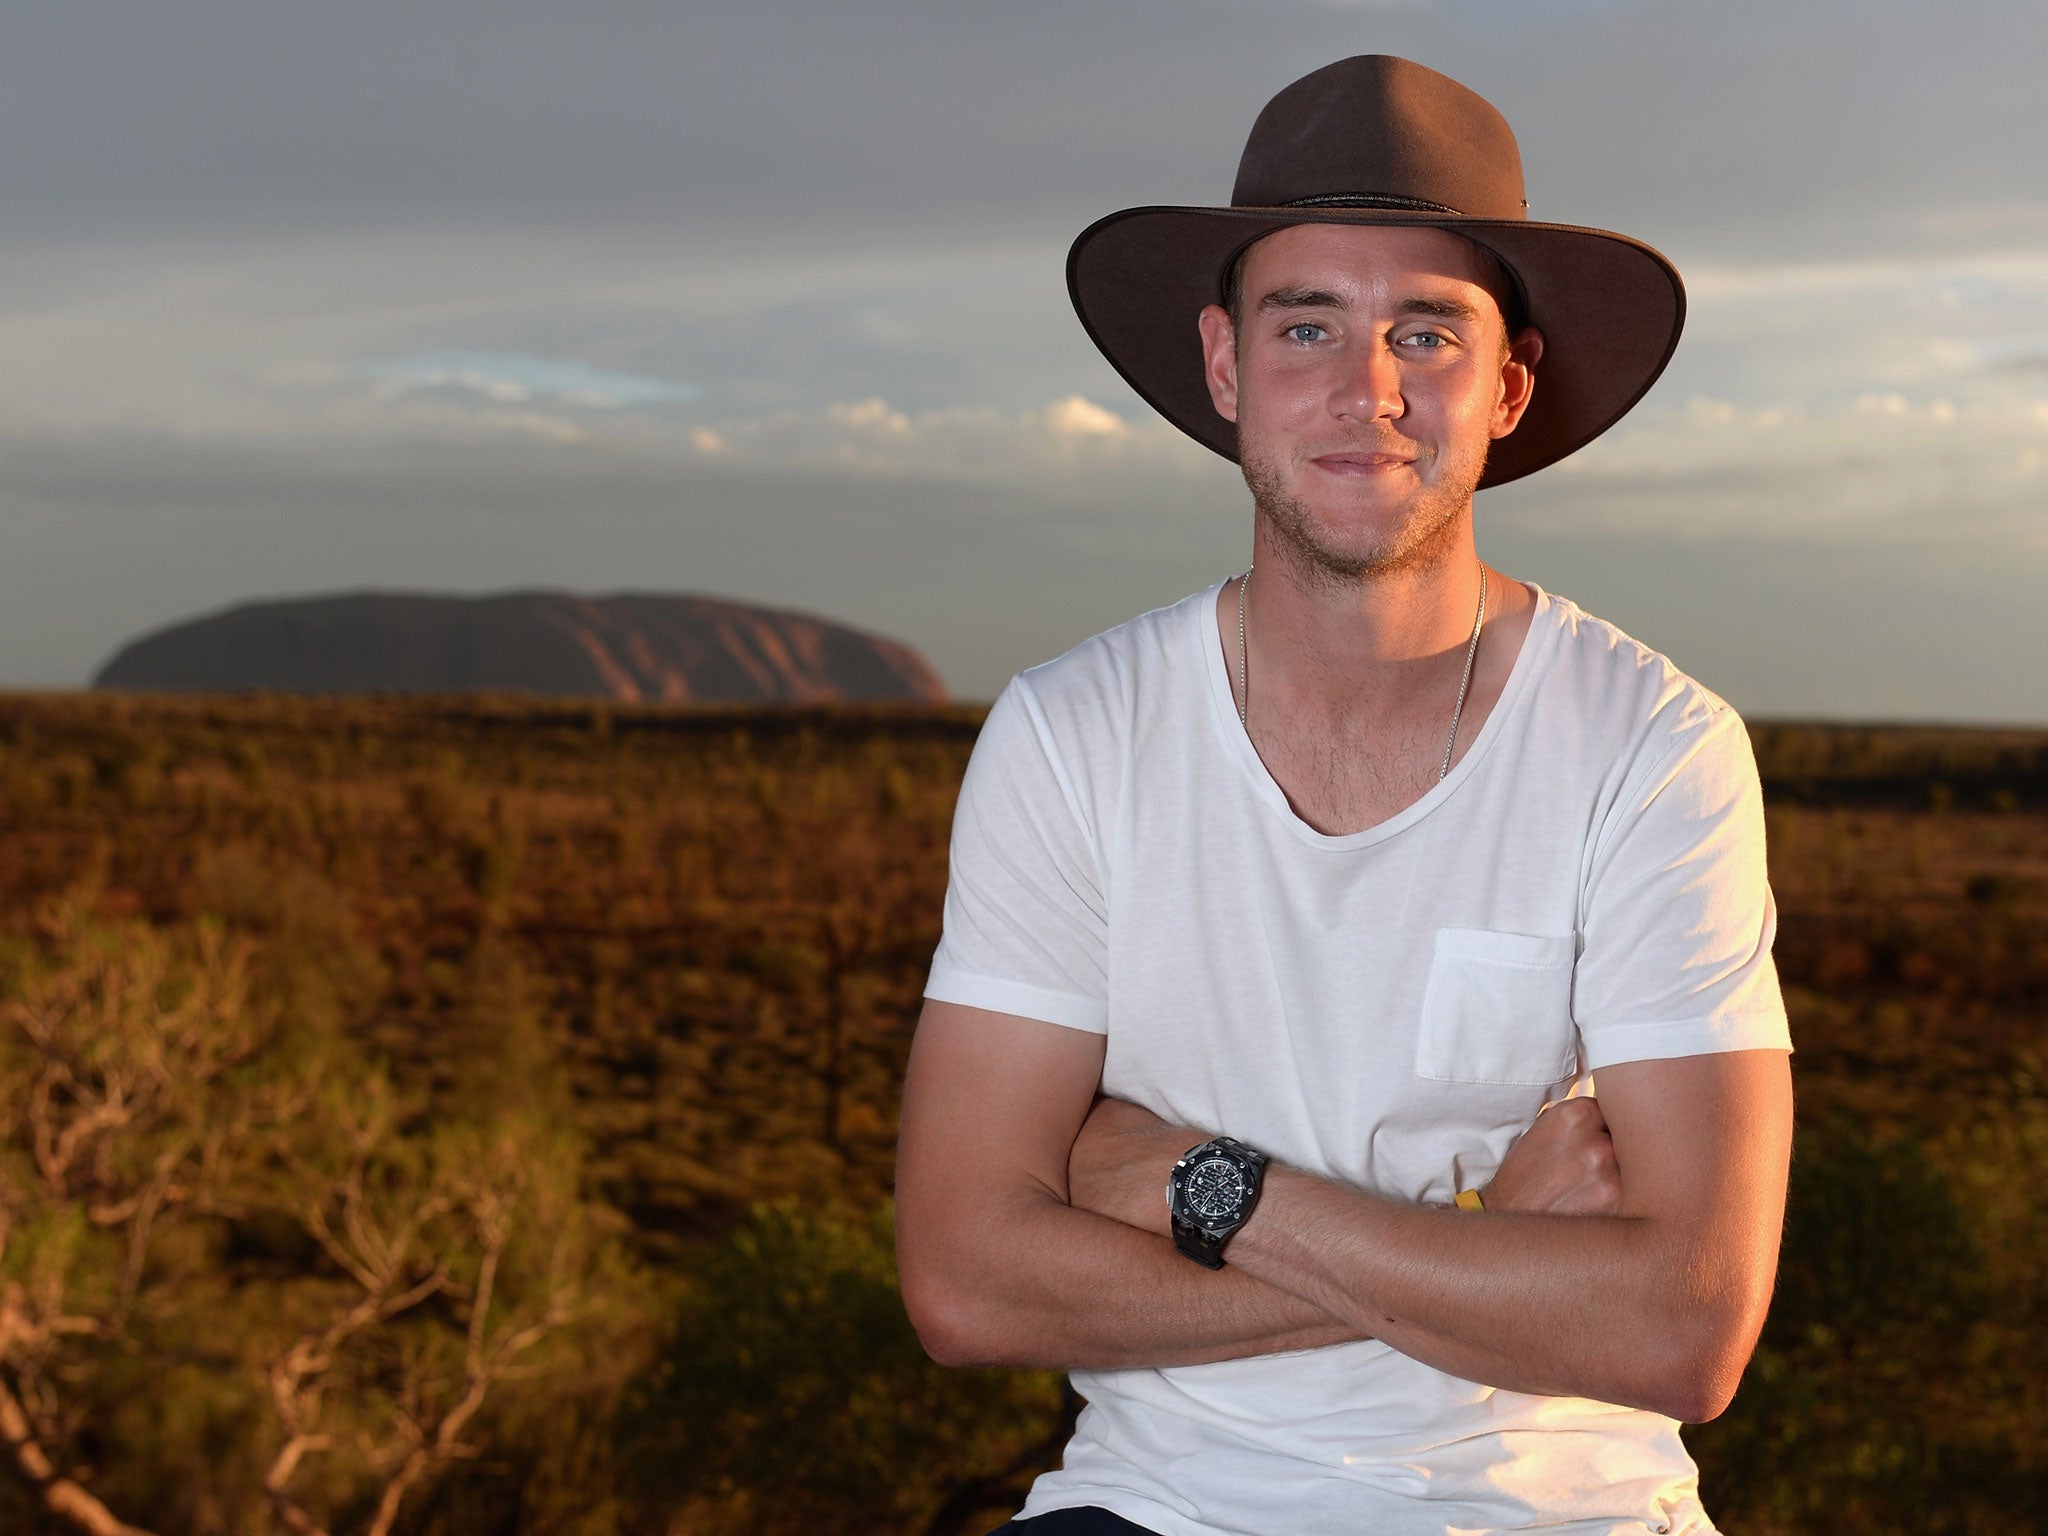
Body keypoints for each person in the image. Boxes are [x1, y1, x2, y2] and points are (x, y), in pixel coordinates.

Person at [895, 54, 1793, 1536]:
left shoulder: (1652, 746)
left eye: (1425, 332)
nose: (1365, 389)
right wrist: (1485, 1249)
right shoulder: (1076, 734)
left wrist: (1207, 1186)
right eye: (1306, 323)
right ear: (1227, 365)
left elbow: (1681, 1332)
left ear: (1508, 387)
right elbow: (966, 1282)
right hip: (1160, 1509)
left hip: (1563, 1513)